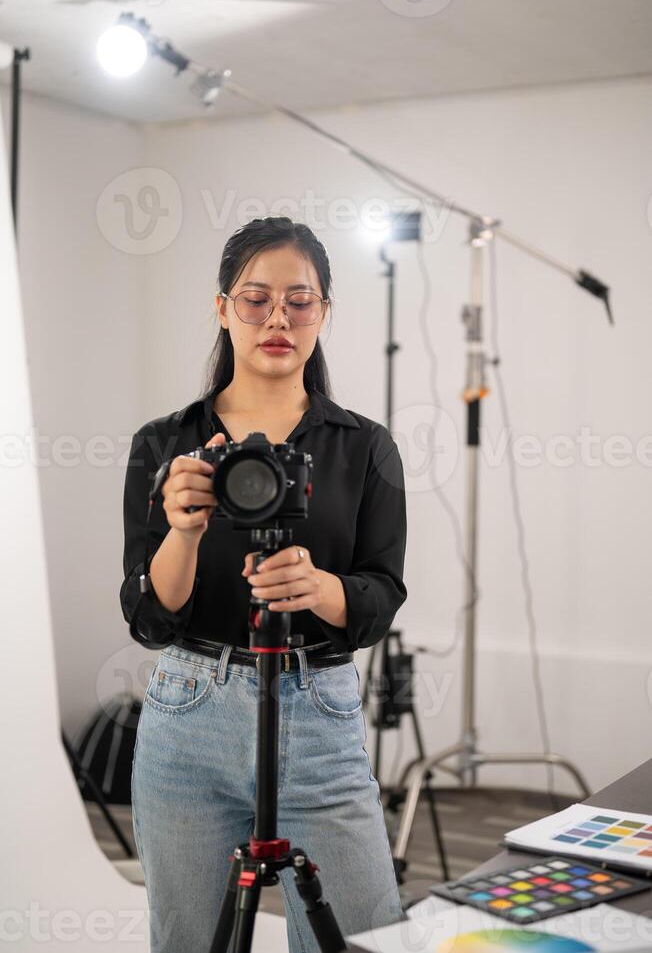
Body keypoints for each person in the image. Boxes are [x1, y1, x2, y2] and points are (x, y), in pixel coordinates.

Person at [120, 216, 408, 952]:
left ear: (324, 314)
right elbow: (150, 618)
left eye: (299, 300)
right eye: (255, 299)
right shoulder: (166, 442)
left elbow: (380, 593)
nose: (278, 317)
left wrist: (320, 589)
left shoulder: (364, 447)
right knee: (189, 940)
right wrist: (183, 527)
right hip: (190, 712)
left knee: (363, 936)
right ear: (223, 308)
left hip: (320, 712)